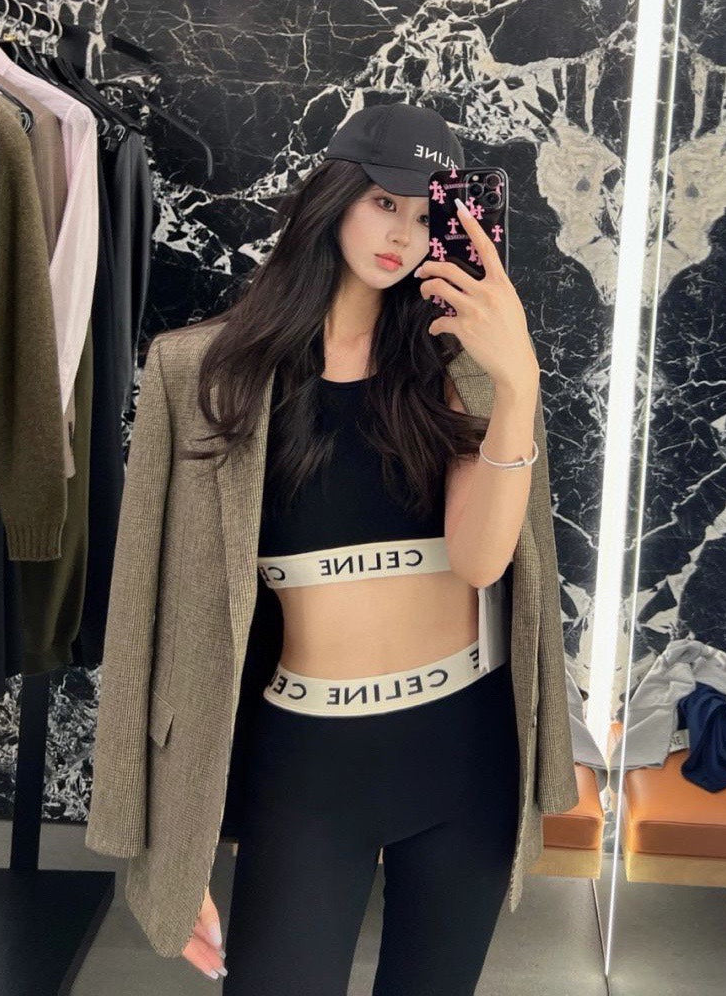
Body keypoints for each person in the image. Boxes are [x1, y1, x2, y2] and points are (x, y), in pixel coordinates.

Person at [169, 102, 547, 993]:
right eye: (383, 202)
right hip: (307, 759)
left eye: (424, 215)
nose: (403, 235)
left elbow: (482, 561)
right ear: (333, 198)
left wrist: (519, 385)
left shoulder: (459, 368)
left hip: (462, 752)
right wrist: (170, 845)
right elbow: (172, 612)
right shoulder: (209, 373)